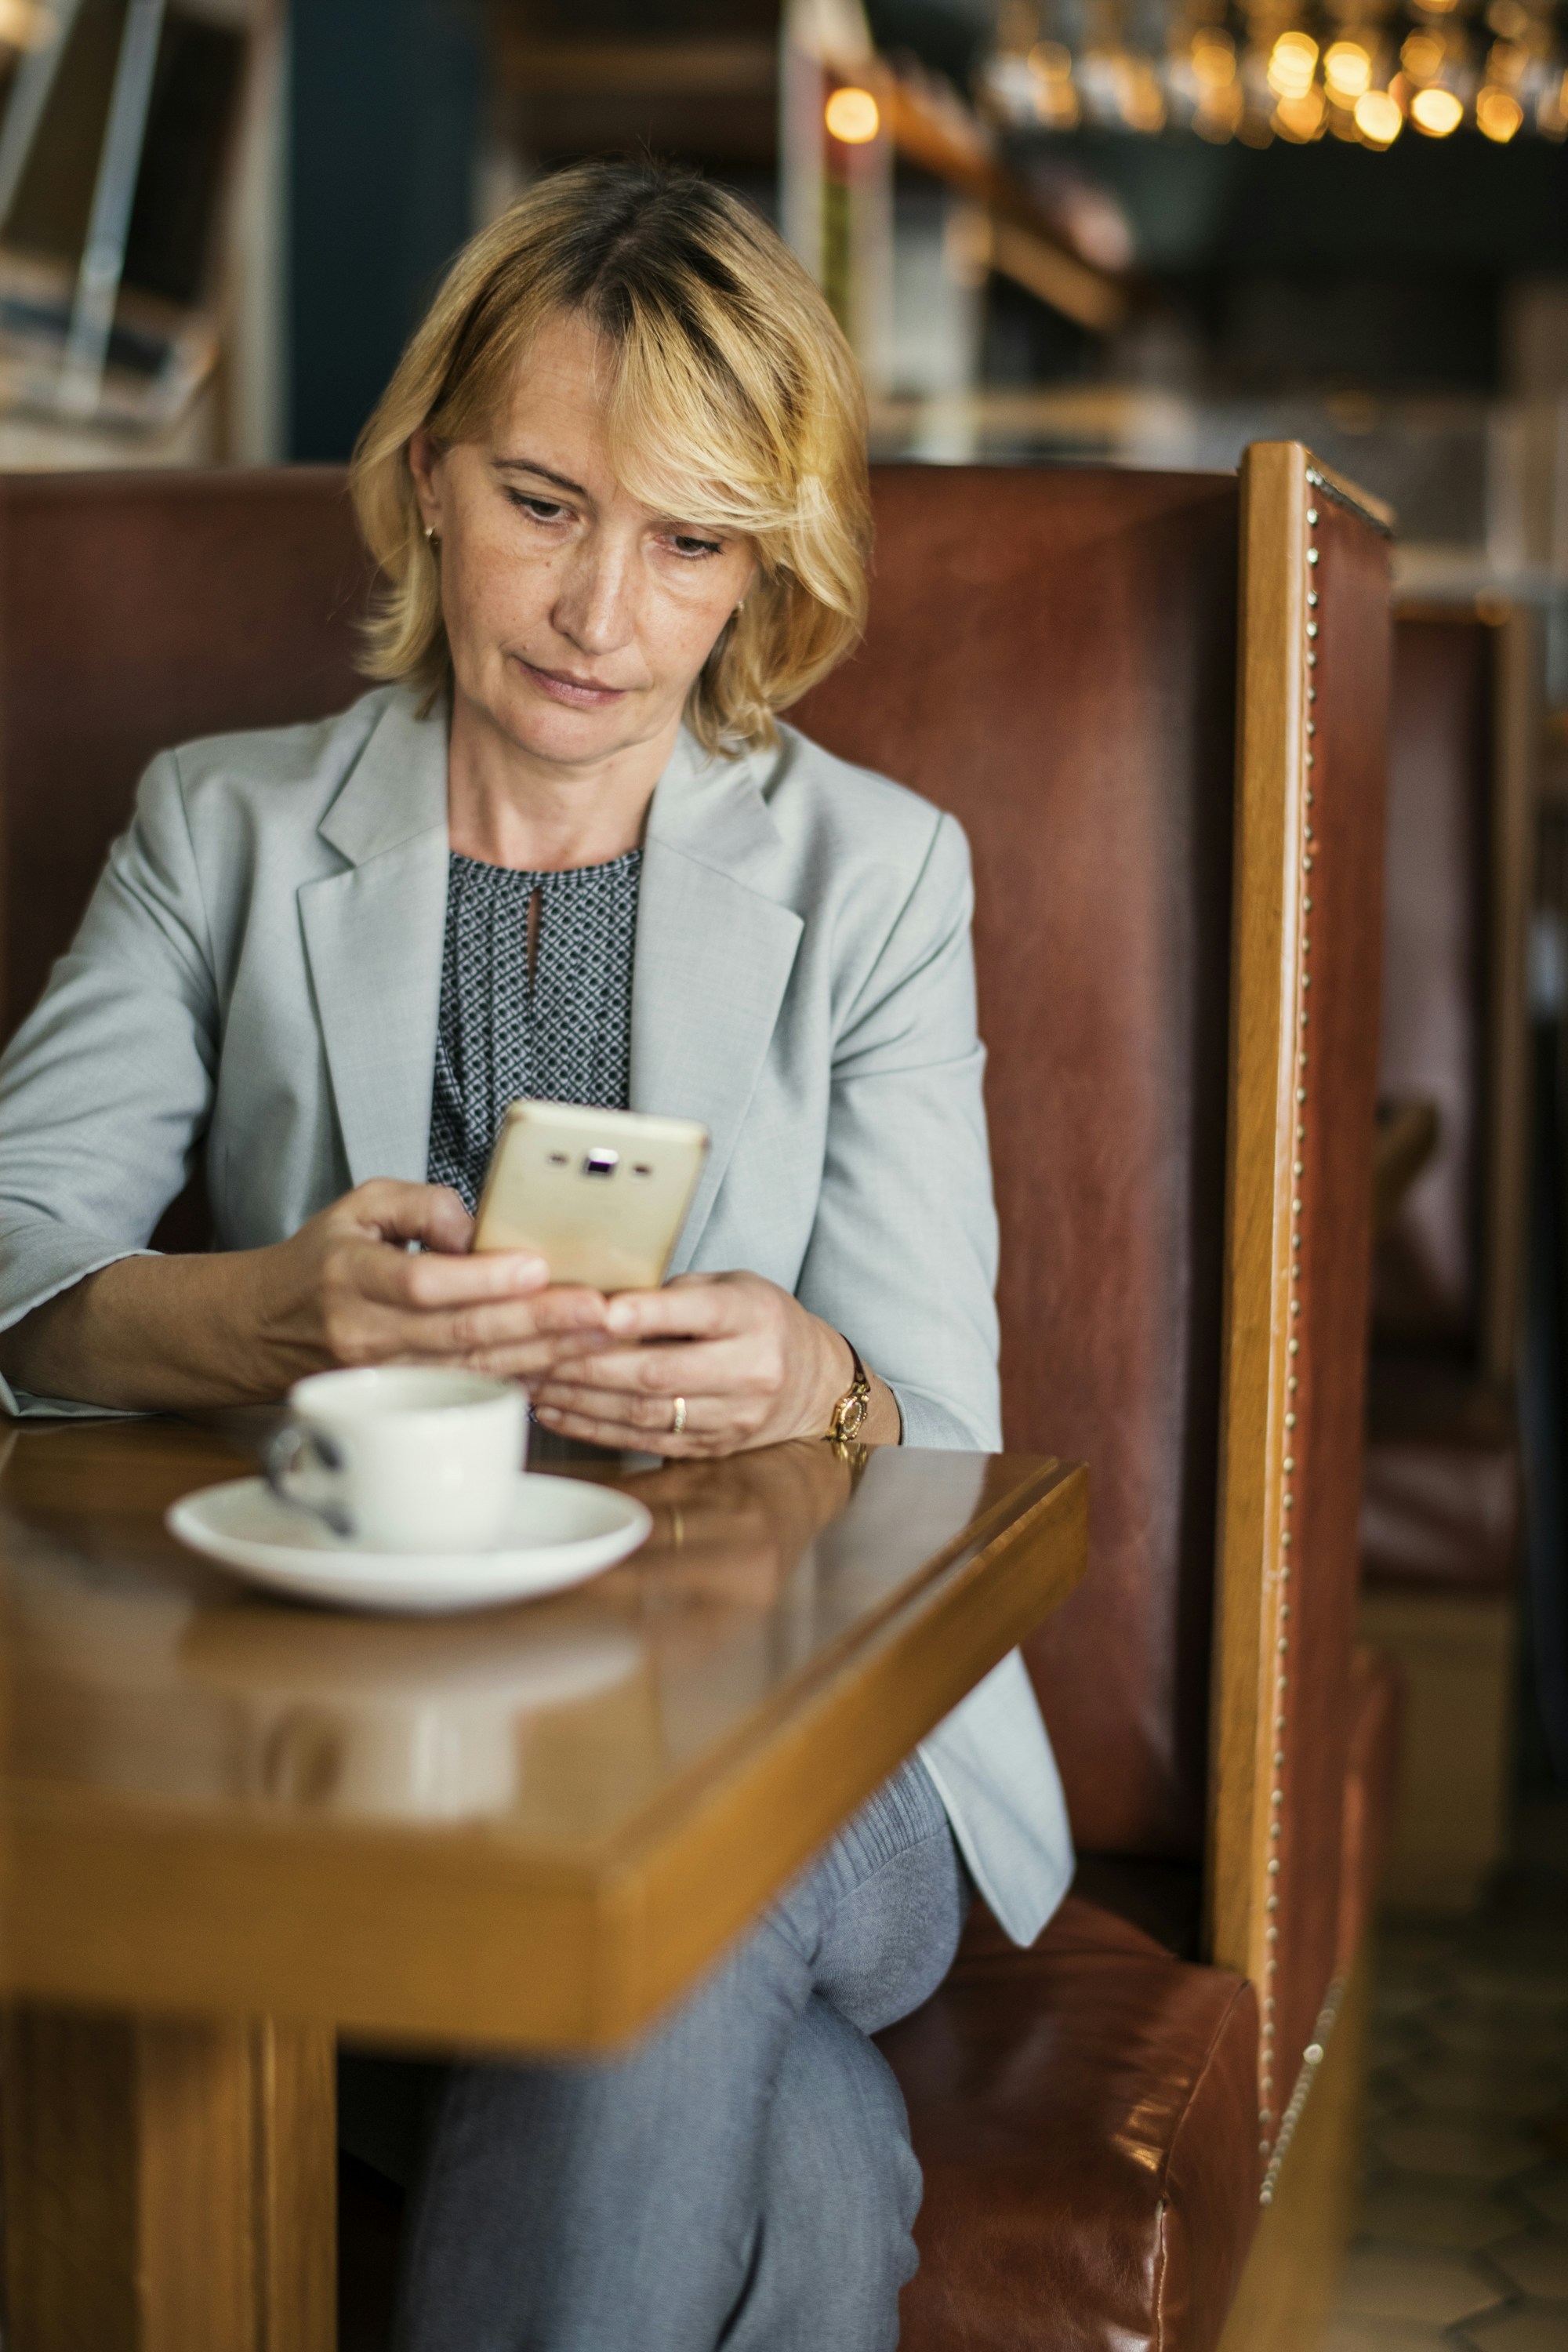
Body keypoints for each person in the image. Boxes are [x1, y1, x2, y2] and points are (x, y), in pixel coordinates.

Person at [0, 161, 1070, 2347]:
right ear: (425, 485)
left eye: (690, 540)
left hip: (820, 1766)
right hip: (377, 1749)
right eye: (547, 502)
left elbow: (937, 1438)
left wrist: (810, 1380)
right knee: (808, 2152)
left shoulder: (878, 881)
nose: (604, 613)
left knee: (679, 1860)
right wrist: (262, 1312)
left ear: (758, 572)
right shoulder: (225, 825)